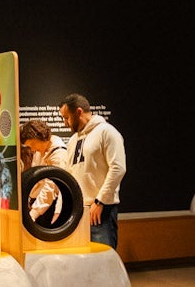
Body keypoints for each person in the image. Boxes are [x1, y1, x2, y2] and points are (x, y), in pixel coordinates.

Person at [59, 93, 126, 249]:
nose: (65, 123)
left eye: (66, 117)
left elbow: (118, 167)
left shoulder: (107, 132)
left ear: (79, 112)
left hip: (101, 211)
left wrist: (100, 201)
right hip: (79, 212)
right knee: (85, 263)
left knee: (103, 260)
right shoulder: (73, 140)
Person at [20, 119, 69, 221]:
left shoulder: (58, 154)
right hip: (37, 203)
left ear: (39, 136)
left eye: (32, 144)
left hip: (46, 208)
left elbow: (51, 187)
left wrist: (34, 213)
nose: (32, 149)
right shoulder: (42, 150)